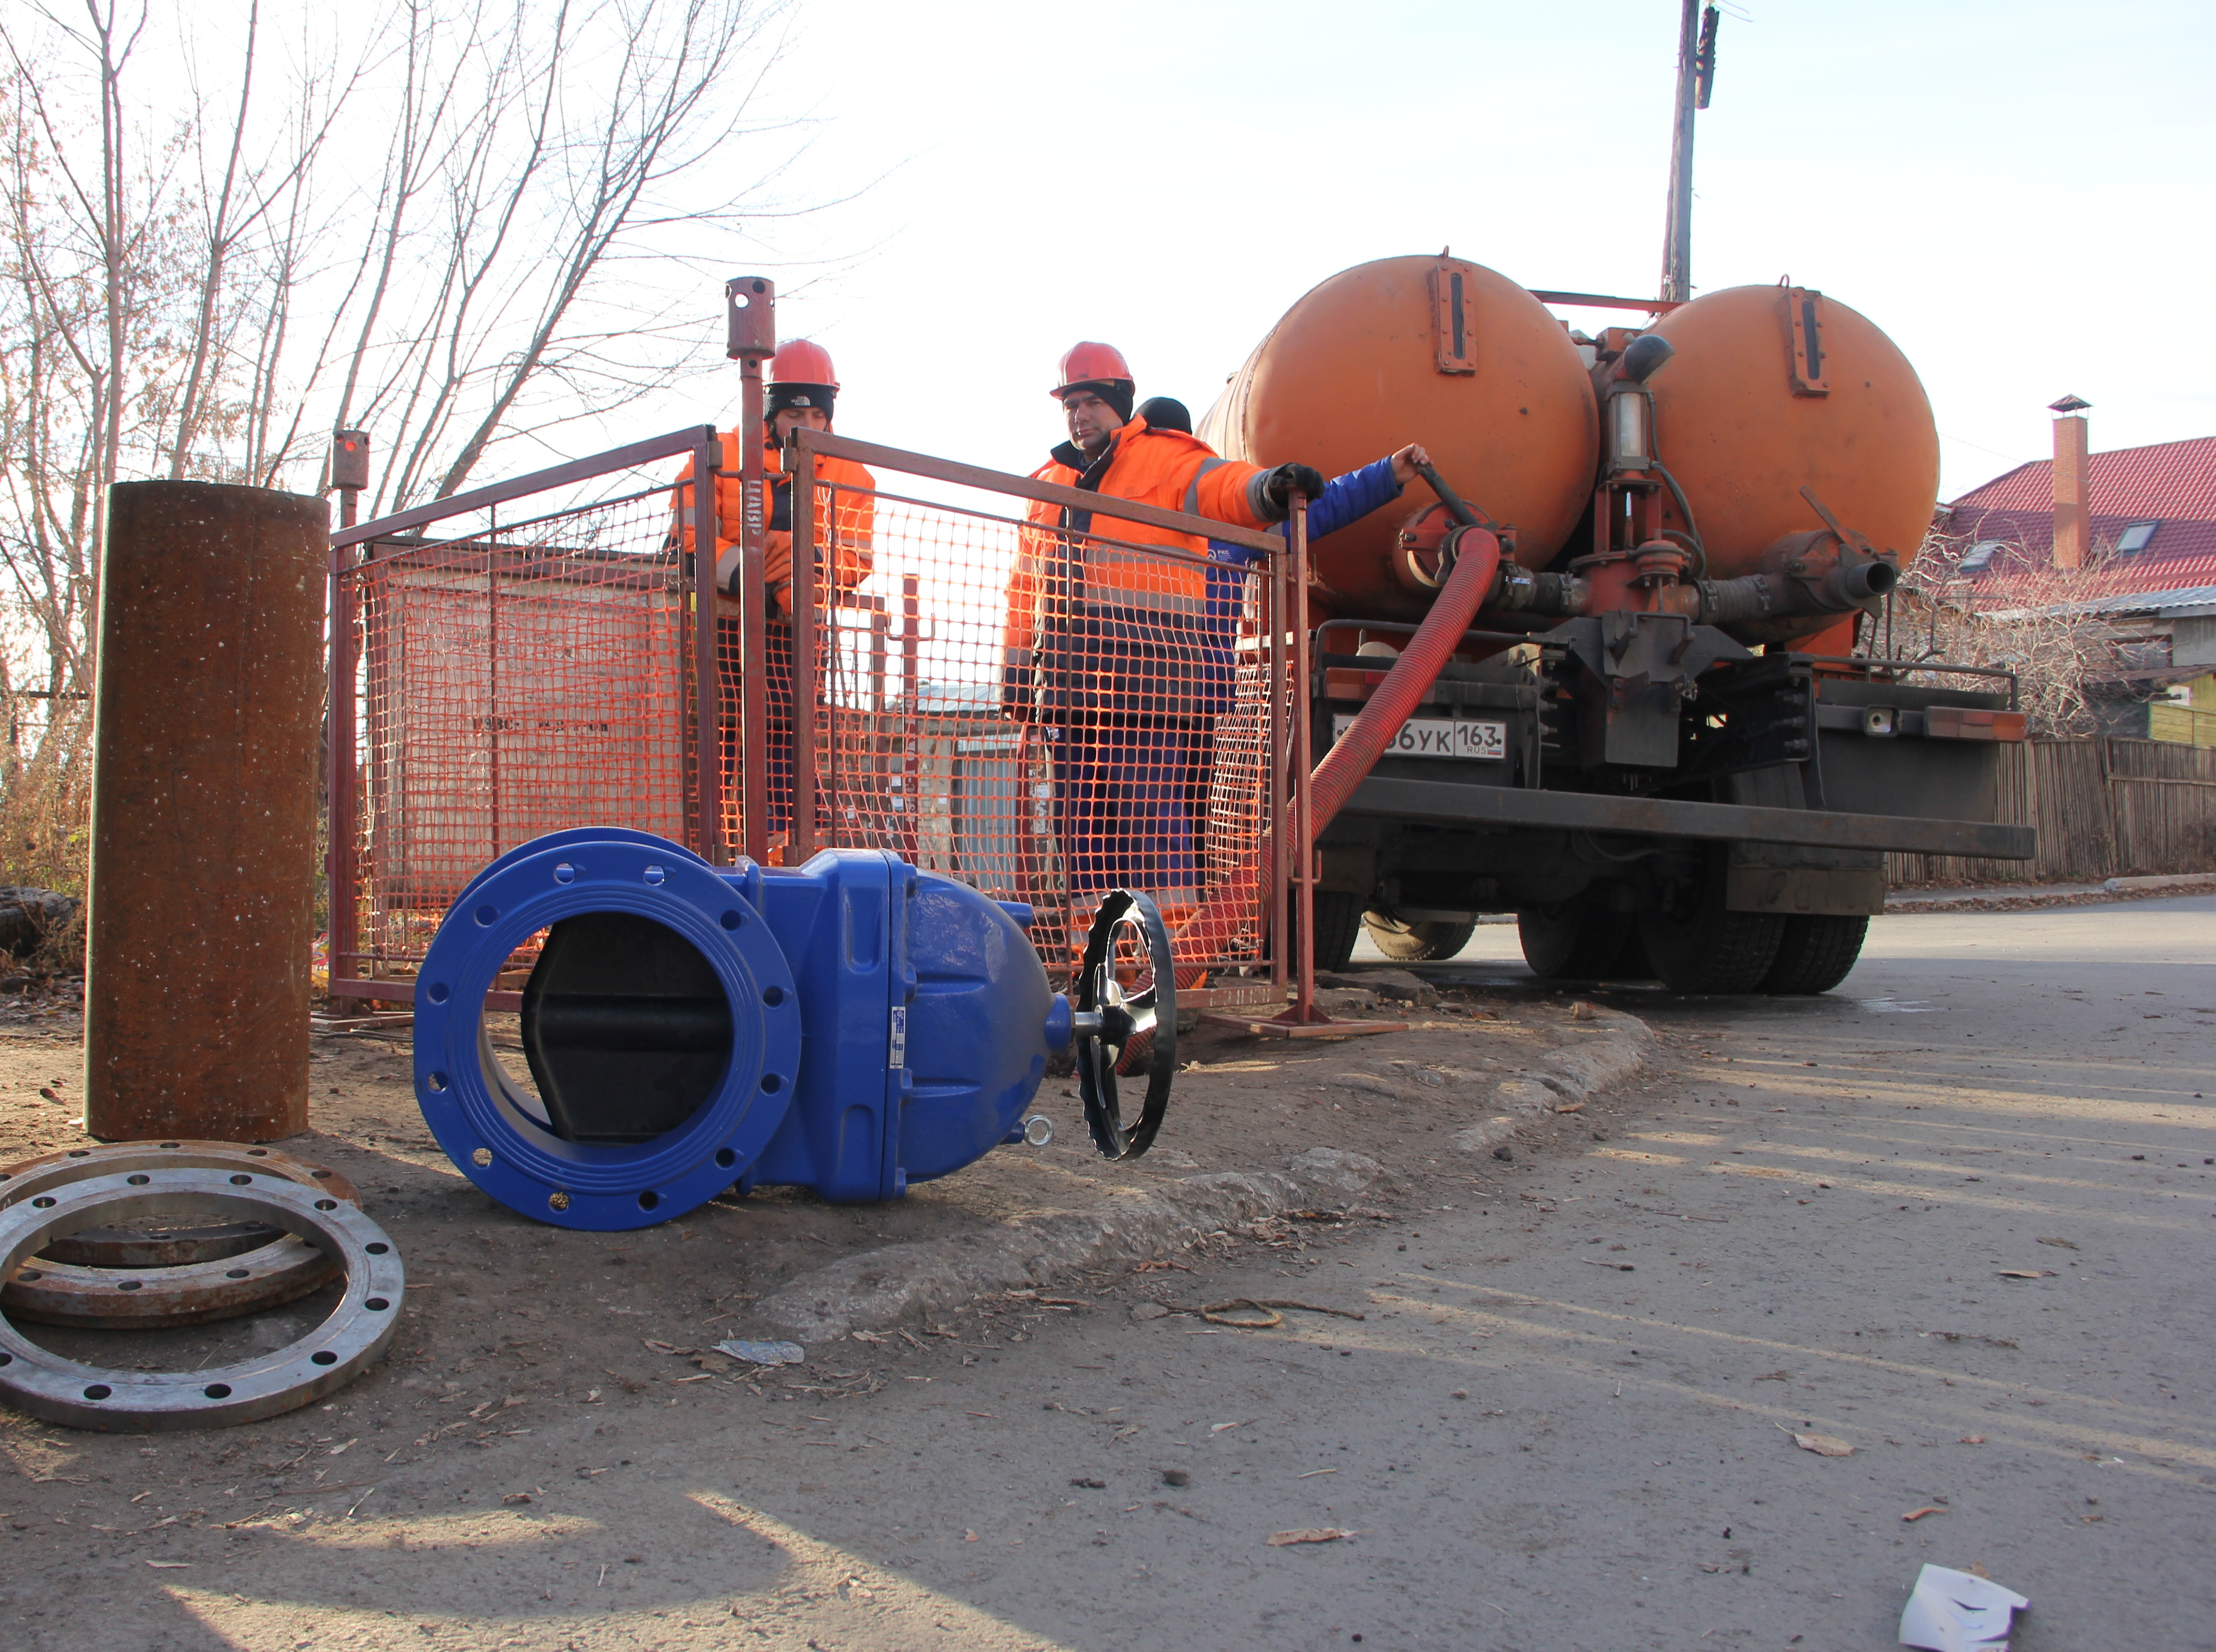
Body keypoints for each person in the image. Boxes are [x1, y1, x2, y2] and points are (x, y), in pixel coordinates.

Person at [1001, 344, 1327, 918]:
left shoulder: (1163, 459)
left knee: (1151, 821)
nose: (1081, 416)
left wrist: (1268, 489)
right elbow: (1024, 587)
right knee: (1081, 829)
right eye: (1071, 405)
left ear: (1122, 405)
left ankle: (1173, 958)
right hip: (1072, 691)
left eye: (1093, 403)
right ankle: (1096, 963)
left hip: (1149, 685)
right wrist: (1013, 670)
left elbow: (1223, 487)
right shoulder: (1048, 485)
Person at [671, 340, 875, 849]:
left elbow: (856, 560)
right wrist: (752, 575)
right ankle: (715, 845)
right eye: (791, 412)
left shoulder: (854, 475)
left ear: (829, 416)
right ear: (770, 413)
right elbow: (688, 539)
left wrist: (801, 574)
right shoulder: (719, 454)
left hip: (798, 628)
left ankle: (782, 843)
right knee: (718, 733)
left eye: (814, 413)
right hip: (721, 623)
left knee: (789, 729)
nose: (803, 423)